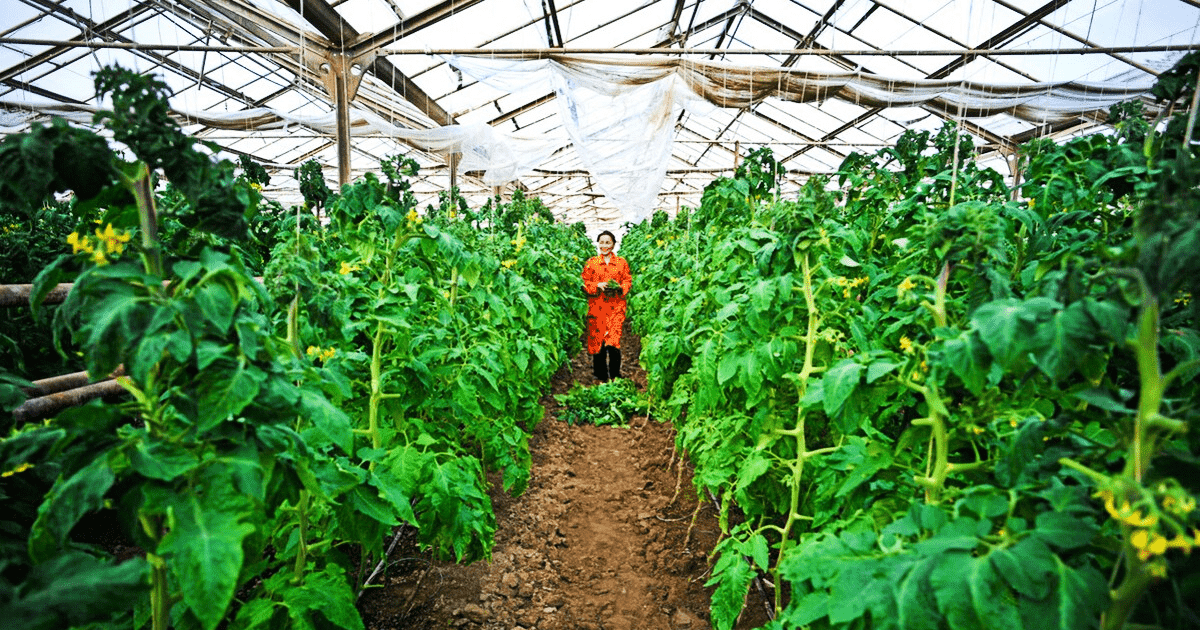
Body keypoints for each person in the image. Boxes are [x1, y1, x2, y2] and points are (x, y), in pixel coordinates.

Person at [581, 230, 632, 382]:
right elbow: (584, 283)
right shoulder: (592, 262)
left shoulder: (621, 262)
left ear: (614, 244)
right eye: (602, 242)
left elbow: (627, 281)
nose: (604, 245)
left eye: (608, 242)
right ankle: (600, 375)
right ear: (598, 244)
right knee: (598, 341)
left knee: (614, 341)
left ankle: (615, 374)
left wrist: (620, 288)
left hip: (616, 307)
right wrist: (597, 285)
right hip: (597, 307)